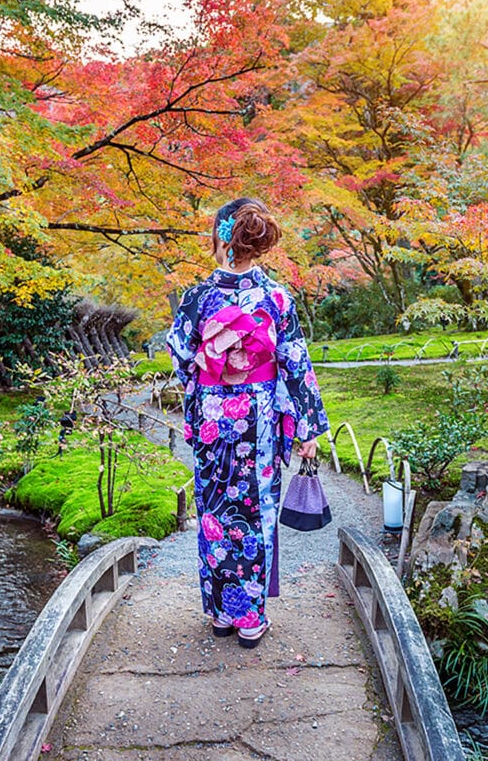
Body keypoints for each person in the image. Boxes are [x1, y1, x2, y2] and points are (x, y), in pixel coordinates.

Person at [166, 198, 329, 649]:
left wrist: (209, 381)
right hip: (258, 418)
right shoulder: (276, 297)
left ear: (221, 236)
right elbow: (296, 364)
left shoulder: (196, 297)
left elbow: (181, 355)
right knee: (255, 513)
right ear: (257, 241)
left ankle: (221, 612)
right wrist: (308, 428)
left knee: (215, 513)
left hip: (214, 418)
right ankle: (250, 618)